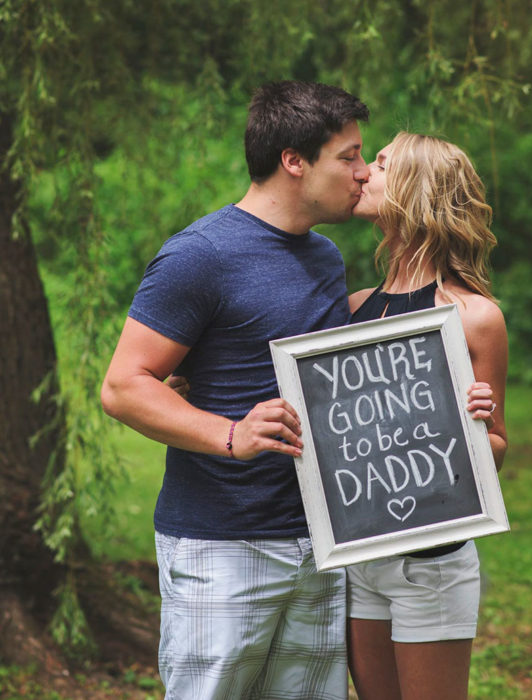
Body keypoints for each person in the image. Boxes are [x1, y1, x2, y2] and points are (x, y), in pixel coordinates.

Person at [101, 80, 370, 700]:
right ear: (293, 161)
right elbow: (123, 385)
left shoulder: (325, 257)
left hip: (319, 543)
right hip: (223, 544)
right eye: (348, 156)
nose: (361, 173)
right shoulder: (200, 256)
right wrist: (229, 434)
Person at [345, 132, 508, 700]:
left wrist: (477, 429)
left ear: (416, 190)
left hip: (430, 564)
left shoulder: (474, 318)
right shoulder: (354, 309)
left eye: (382, 164)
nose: (364, 172)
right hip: (361, 557)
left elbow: (498, 452)